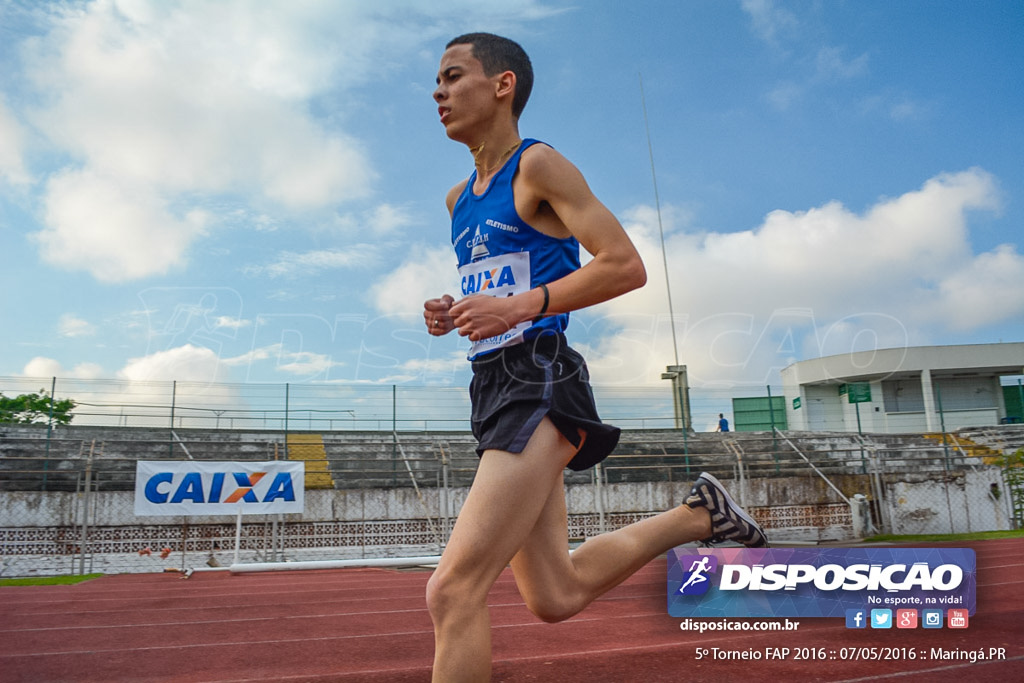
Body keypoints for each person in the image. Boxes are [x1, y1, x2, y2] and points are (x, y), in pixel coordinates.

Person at [423, 32, 767, 682]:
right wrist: (457, 309)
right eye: (436, 82)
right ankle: (700, 513)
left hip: (540, 379)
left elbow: (624, 265)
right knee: (555, 593)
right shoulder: (457, 200)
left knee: (452, 590)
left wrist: (521, 306)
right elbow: (499, 290)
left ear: (503, 86)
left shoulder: (539, 165)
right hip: (491, 386)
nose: (437, 92)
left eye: (452, 75)